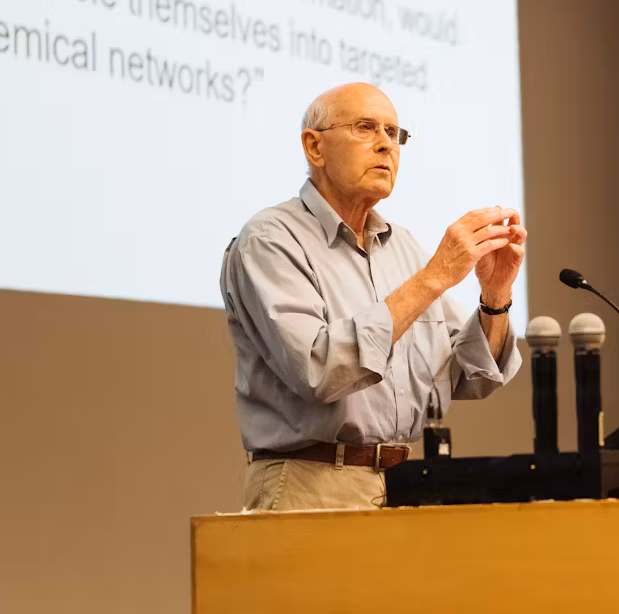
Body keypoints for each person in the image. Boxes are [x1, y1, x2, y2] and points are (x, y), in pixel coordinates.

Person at [219, 82, 526, 511]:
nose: (386, 145)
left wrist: (495, 296)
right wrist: (434, 277)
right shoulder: (271, 240)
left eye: (394, 133)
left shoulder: (404, 248)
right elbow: (319, 369)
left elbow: (469, 375)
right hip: (312, 486)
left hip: (405, 488)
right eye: (366, 128)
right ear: (315, 146)